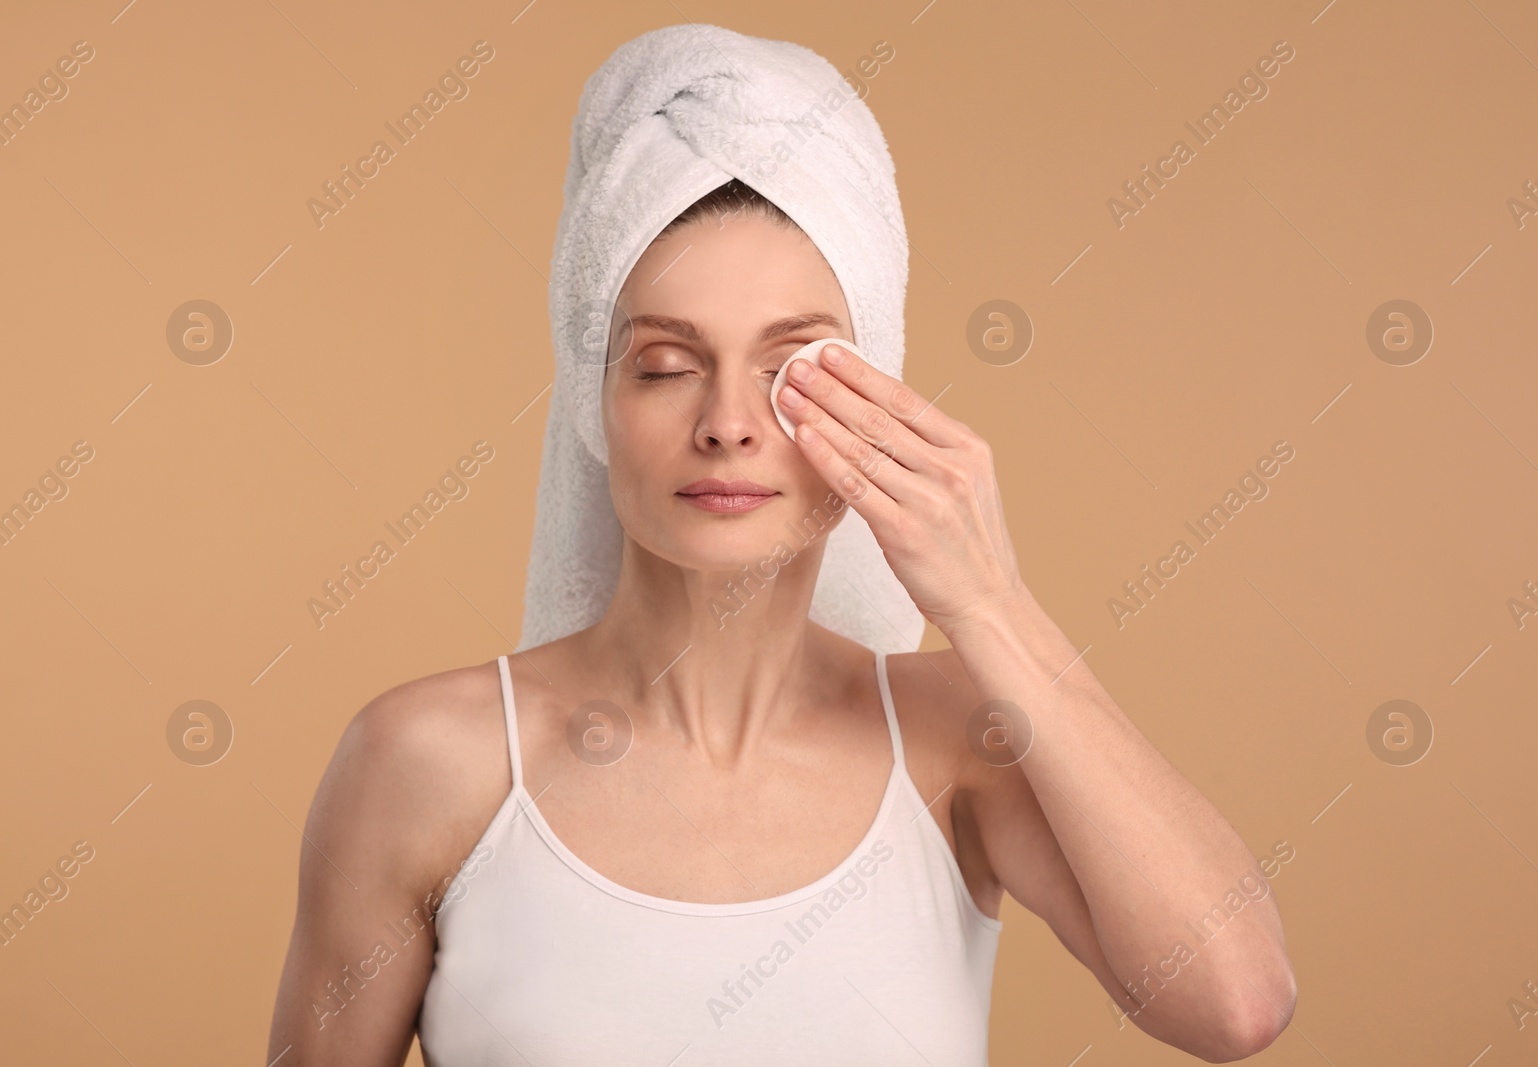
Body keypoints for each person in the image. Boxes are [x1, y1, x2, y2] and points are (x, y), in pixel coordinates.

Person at [268, 28, 1294, 1067]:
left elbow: (1235, 1002)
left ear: (875, 391)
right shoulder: (426, 763)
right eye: (665, 364)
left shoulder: (958, 746)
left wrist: (990, 600)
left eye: (793, 366)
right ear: (592, 398)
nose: (727, 422)